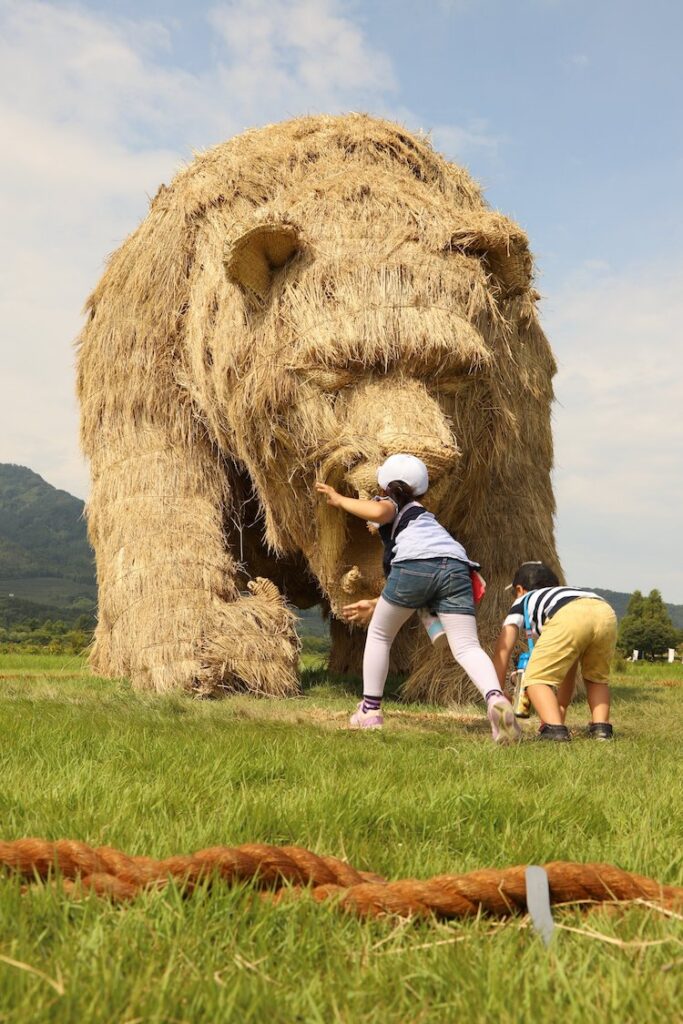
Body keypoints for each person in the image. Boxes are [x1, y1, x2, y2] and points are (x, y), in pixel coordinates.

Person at [316, 453, 520, 743]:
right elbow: (425, 578)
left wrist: (340, 500)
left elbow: (380, 515)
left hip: (415, 566)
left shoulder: (392, 504)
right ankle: (496, 698)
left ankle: (370, 711)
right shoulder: (425, 518)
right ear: (422, 491)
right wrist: (377, 604)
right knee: (467, 646)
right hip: (457, 567)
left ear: (385, 486)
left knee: (380, 635)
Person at [492, 561, 618, 741]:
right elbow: (569, 667)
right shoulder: (565, 594)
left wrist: (497, 693)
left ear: (519, 589)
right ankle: (601, 729)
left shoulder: (523, 600)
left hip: (568, 615)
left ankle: (554, 731)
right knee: (596, 679)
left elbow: (503, 649)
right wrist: (561, 707)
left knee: (535, 679)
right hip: (604, 612)